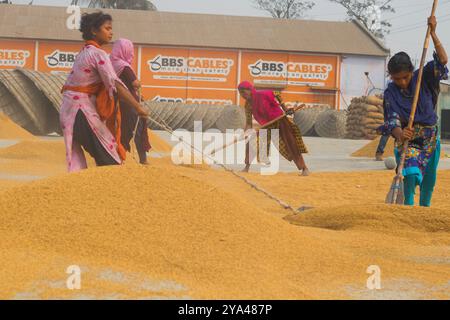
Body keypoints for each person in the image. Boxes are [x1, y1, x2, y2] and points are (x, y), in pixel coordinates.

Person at [60, 12, 148, 172]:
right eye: (107, 28)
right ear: (94, 30)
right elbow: (115, 84)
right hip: (81, 111)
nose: (111, 32)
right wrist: (138, 107)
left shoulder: (84, 52)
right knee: (110, 157)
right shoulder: (98, 54)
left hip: (70, 110)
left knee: (81, 156)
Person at [379, 16, 448, 207]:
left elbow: (442, 60)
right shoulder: (390, 93)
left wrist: (433, 33)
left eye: (405, 77)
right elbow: (391, 120)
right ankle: (407, 210)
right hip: (407, 140)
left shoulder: (423, 76)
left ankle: (424, 212)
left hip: (430, 139)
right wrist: (400, 133)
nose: (401, 82)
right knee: (409, 174)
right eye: (396, 78)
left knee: (428, 182)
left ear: (411, 71)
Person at [238, 81, 310, 176]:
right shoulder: (248, 105)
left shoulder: (263, 94)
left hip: (280, 120)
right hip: (266, 125)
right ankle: (247, 167)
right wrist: (245, 134)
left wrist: (285, 109)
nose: (242, 95)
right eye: (240, 93)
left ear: (250, 90)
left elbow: (276, 93)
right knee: (251, 141)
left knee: (291, 143)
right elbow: (248, 122)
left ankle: (304, 168)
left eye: (244, 92)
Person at [111, 38, 151, 165]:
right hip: (130, 106)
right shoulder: (124, 66)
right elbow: (134, 83)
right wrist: (138, 83)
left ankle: (116, 157)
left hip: (117, 103)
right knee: (135, 131)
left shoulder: (110, 62)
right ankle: (141, 160)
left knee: (121, 131)